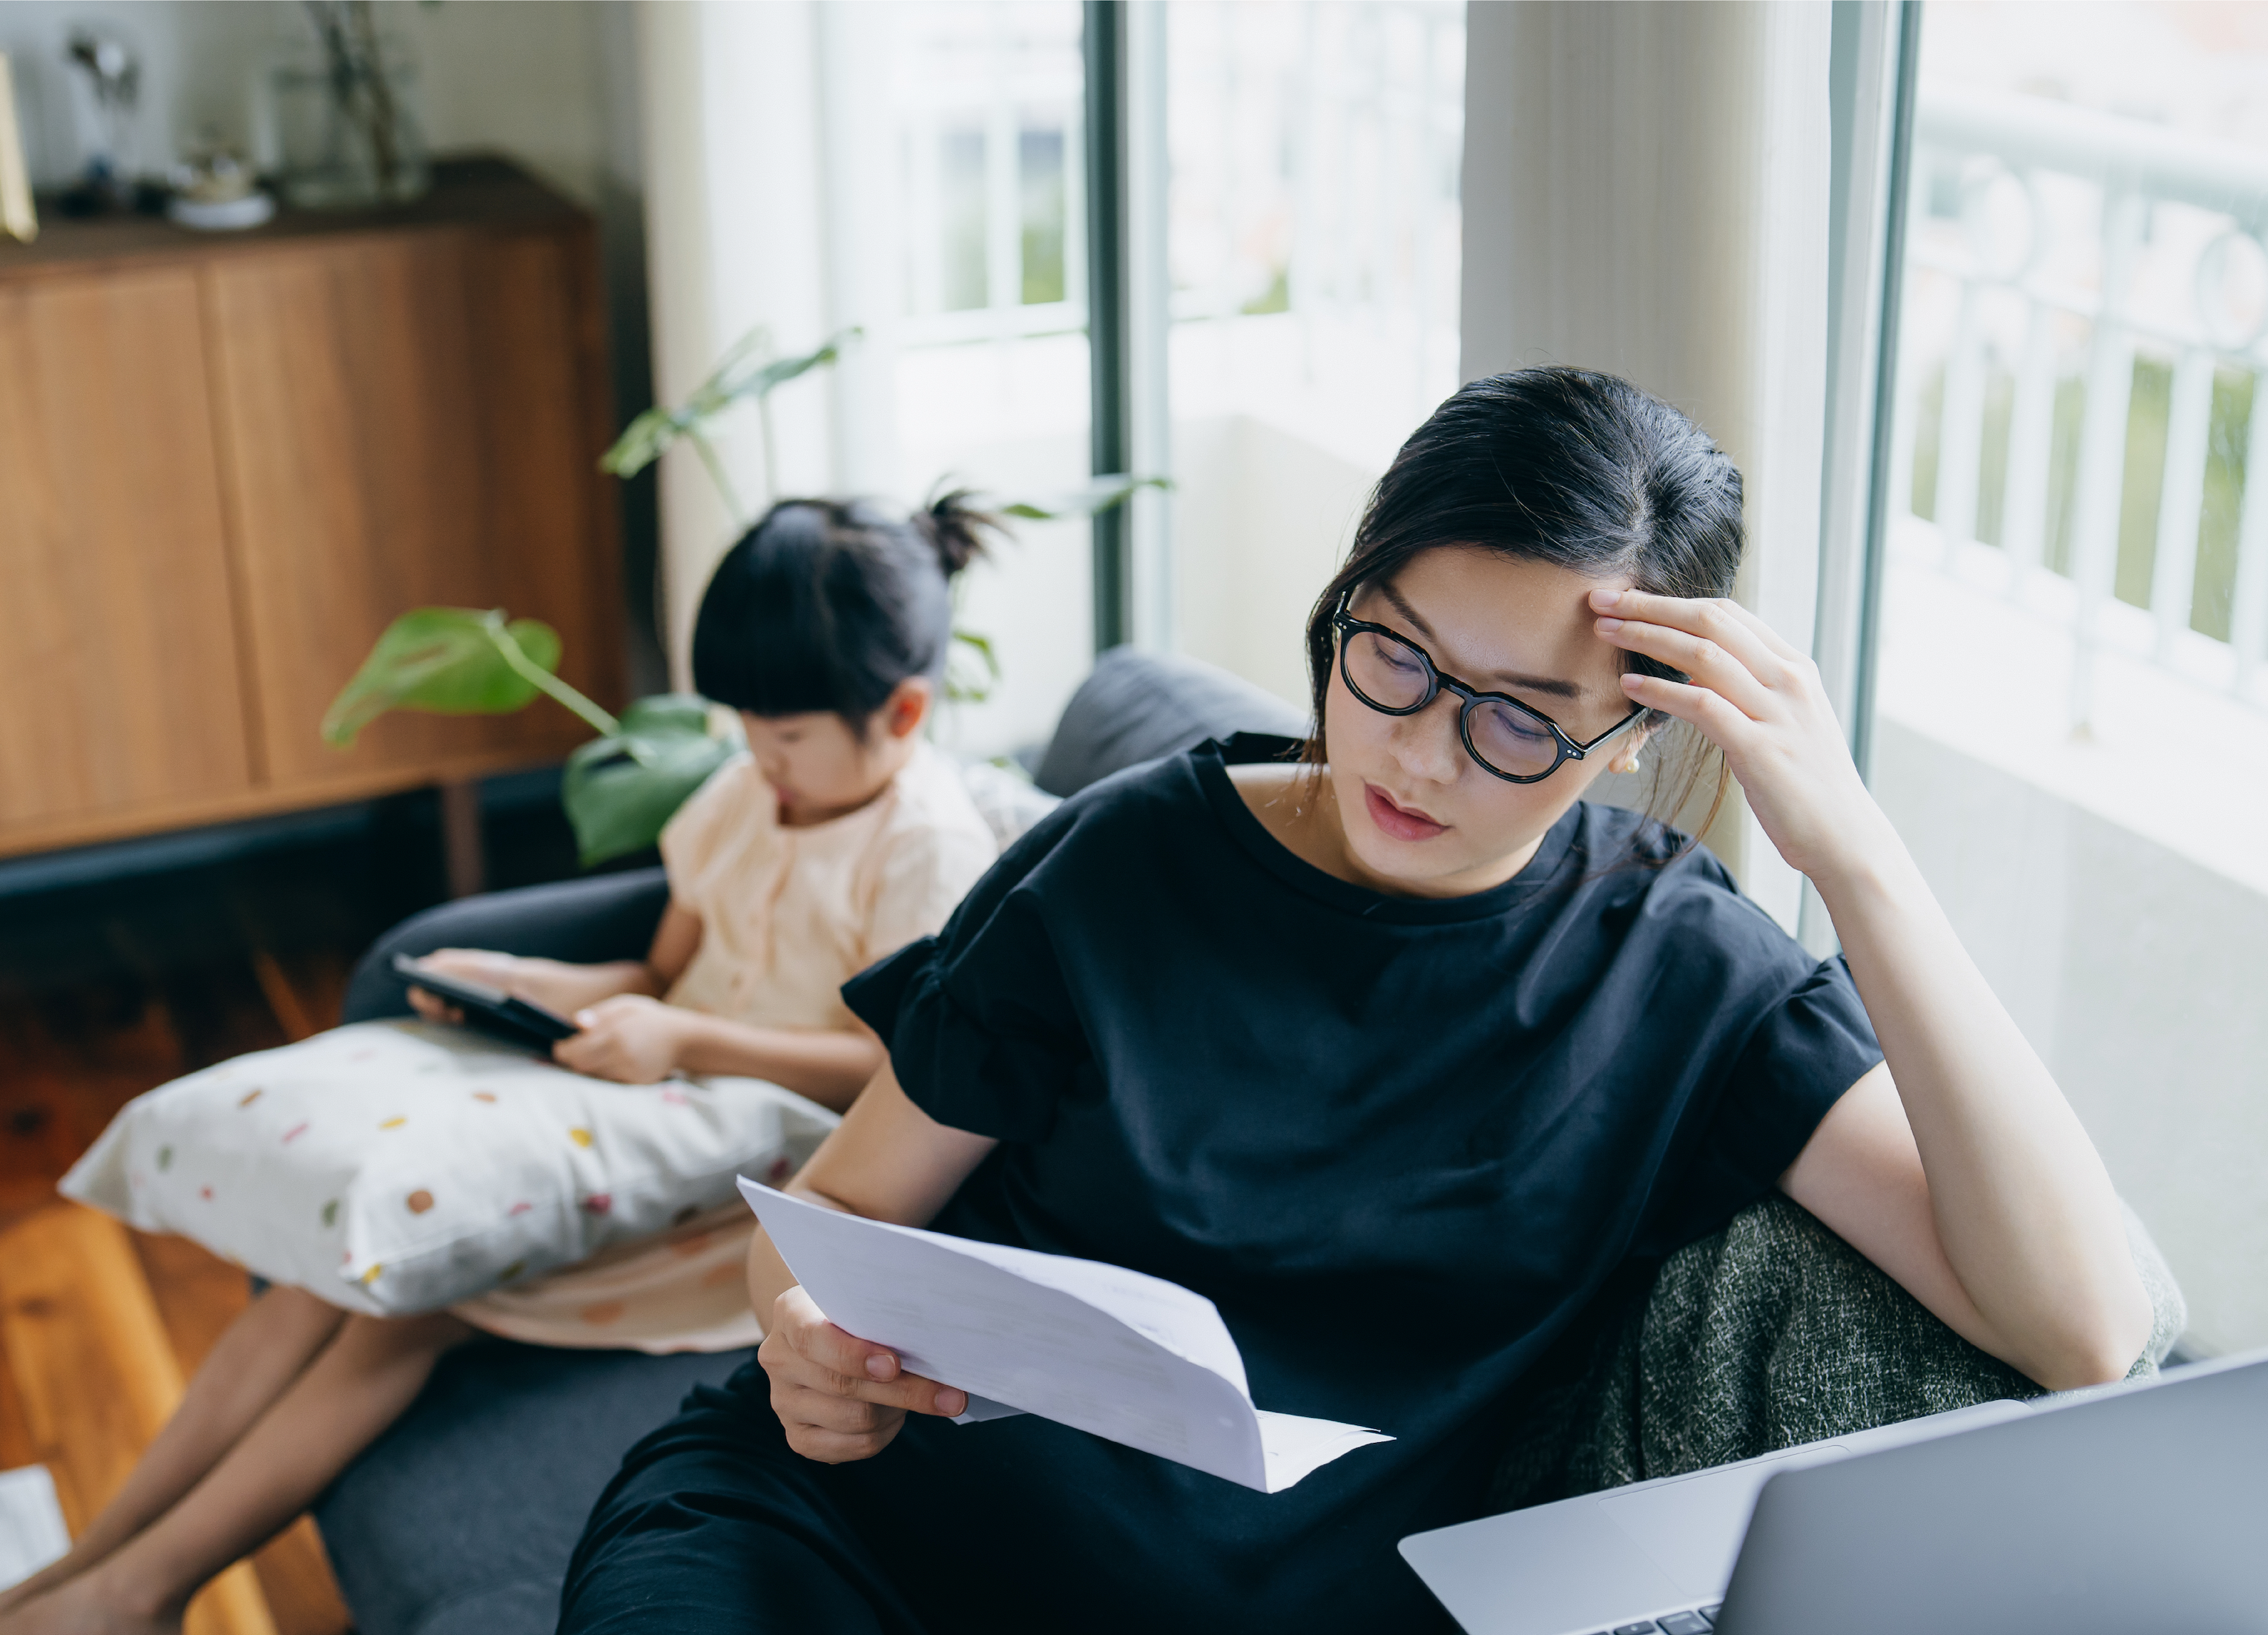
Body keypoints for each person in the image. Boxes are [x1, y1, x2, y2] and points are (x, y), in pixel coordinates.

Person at [557, 369, 2156, 1635]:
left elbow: (2081, 1329)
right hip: (842, 1541)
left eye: (1523, 721)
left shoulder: (1674, 971)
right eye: (1391, 656)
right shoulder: (1128, 864)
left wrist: (1858, 857)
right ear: (1347, 595)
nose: (1421, 751)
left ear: (1631, 739)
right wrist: (807, 1346)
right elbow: (835, 1210)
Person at [0, 496, 1004, 1635]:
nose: (756, 758)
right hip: (641, 1102)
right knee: (316, 1284)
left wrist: (686, 1042)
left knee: (402, 1307)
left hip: (753, 1192)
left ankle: (135, 1595)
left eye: (783, 737)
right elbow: (661, 964)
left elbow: (888, 1075)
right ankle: (73, 1577)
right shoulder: (746, 796)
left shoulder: (926, 851)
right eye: (743, 726)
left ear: (903, 712)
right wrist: (525, 988)